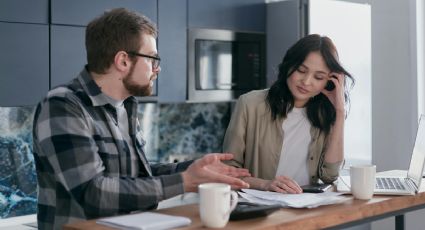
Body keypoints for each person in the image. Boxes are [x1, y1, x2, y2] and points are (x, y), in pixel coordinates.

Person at [32, 8, 250, 229]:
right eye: (153, 58)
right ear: (123, 61)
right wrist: (184, 182)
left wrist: (192, 169)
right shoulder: (63, 105)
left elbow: (136, 174)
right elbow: (93, 192)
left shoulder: (125, 105)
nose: (158, 68)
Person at [223, 34, 354, 194]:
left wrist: (340, 112)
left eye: (318, 77)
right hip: (261, 209)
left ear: (328, 81)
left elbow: (330, 175)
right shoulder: (250, 105)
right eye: (301, 70)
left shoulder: (324, 114)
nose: (306, 82)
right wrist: (265, 184)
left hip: (305, 206)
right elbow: (228, 171)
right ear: (289, 66)